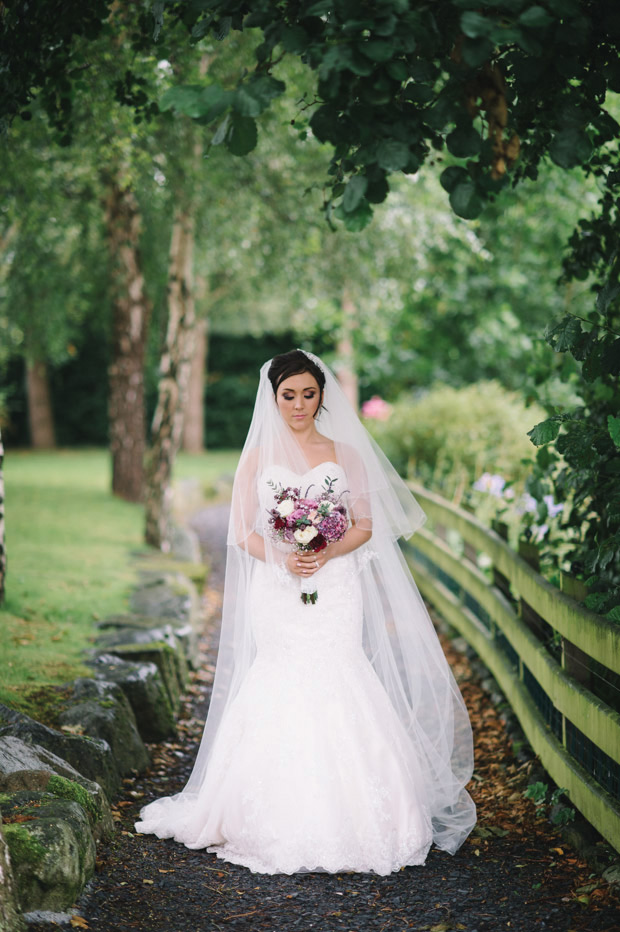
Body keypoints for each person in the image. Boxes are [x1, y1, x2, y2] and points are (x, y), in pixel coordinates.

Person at [135, 349, 476, 875]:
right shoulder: (256, 459)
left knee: (339, 669)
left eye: (308, 394)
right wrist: (283, 555)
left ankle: (360, 813)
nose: (298, 404)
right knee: (279, 674)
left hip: (335, 585)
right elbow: (242, 531)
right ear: (273, 398)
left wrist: (324, 551)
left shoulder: (345, 453)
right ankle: (264, 812)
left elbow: (364, 524)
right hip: (277, 587)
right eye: (288, 395)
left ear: (322, 396)